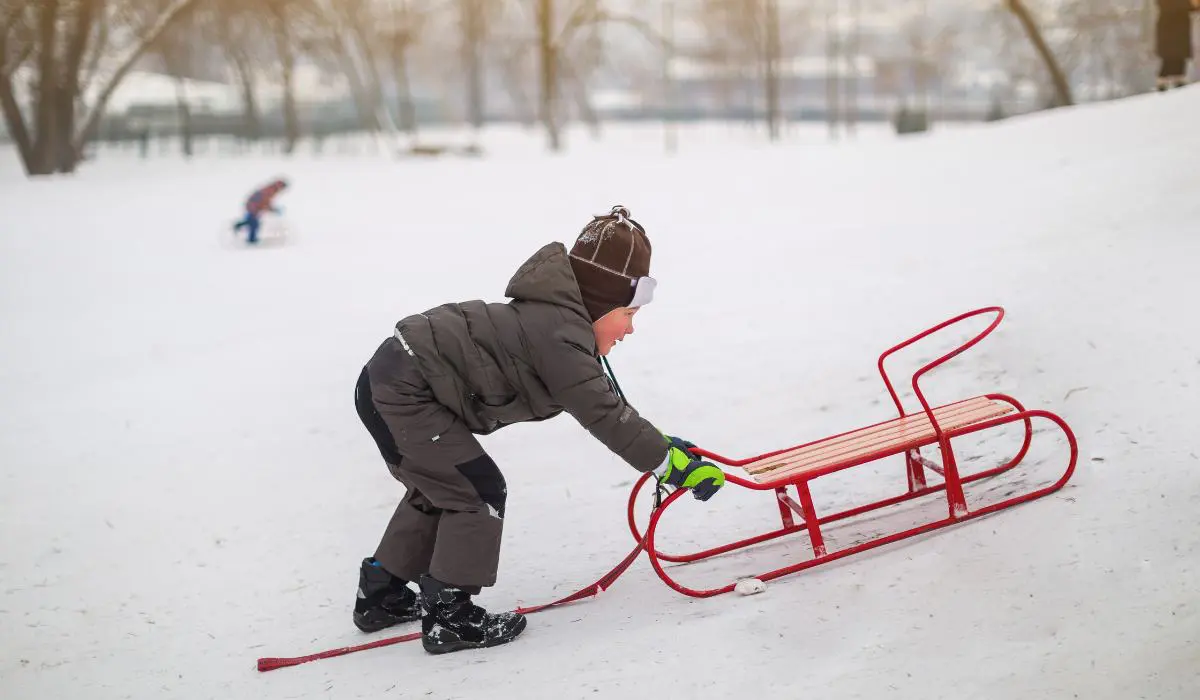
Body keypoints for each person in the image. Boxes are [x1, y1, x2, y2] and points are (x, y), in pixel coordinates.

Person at [351, 205, 726, 654]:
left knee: (443, 486)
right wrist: (669, 464)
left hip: (390, 377)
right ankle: (449, 617)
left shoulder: (558, 324)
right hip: (404, 390)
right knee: (476, 491)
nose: (630, 329)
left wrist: (663, 447)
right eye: (628, 314)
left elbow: (605, 404)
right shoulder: (559, 337)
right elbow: (605, 416)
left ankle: (381, 594)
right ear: (600, 304)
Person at [1155, 0, 1199, 91]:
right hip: (1168, 25)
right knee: (1170, 53)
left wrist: (1195, 5)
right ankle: (1164, 79)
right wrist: (1189, 4)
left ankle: (1178, 77)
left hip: (1181, 24)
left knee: (1180, 52)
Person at [232, 178, 288, 244]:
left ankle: (238, 226)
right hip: (253, 207)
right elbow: (265, 203)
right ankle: (251, 240)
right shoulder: (270, 191)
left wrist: (272, 209)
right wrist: (273, 210)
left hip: (254, 206)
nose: (282, 190)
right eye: (282, 188)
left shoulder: (270, 189)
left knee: (251, 222)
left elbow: (265, 203)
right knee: (254, 224)